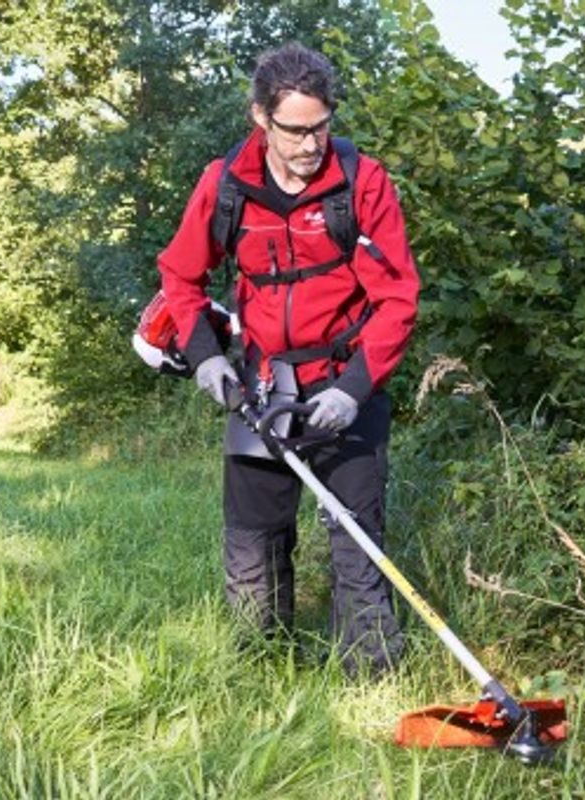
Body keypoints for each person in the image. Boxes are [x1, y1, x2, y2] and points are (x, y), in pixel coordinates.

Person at [157, 42, 419, 677]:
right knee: (254, 545)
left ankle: (370, 677)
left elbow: (398, 298)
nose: (310, 145)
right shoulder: (225, 186)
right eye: (295, 130)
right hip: (260, 386)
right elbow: (180, 277)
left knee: (356, 542)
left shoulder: (361, 183)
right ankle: (260, 673)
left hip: (343, 382)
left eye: (321, 127)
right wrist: (206, 359)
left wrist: (353, 389)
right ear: (261, 117)